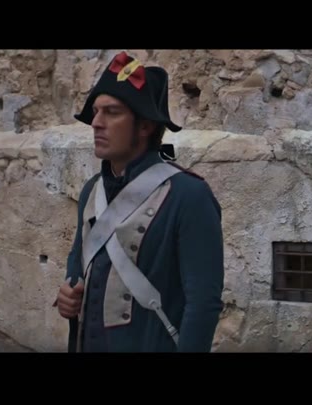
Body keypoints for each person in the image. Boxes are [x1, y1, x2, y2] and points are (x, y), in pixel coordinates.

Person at [54, 51, 224, 352]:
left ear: (145, 126)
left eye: (112, 112)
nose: (96, 123)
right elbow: (78, 266)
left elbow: (202, 306)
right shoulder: (92, 190)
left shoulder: (189, 195)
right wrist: (69, 293)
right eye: (96, 112)